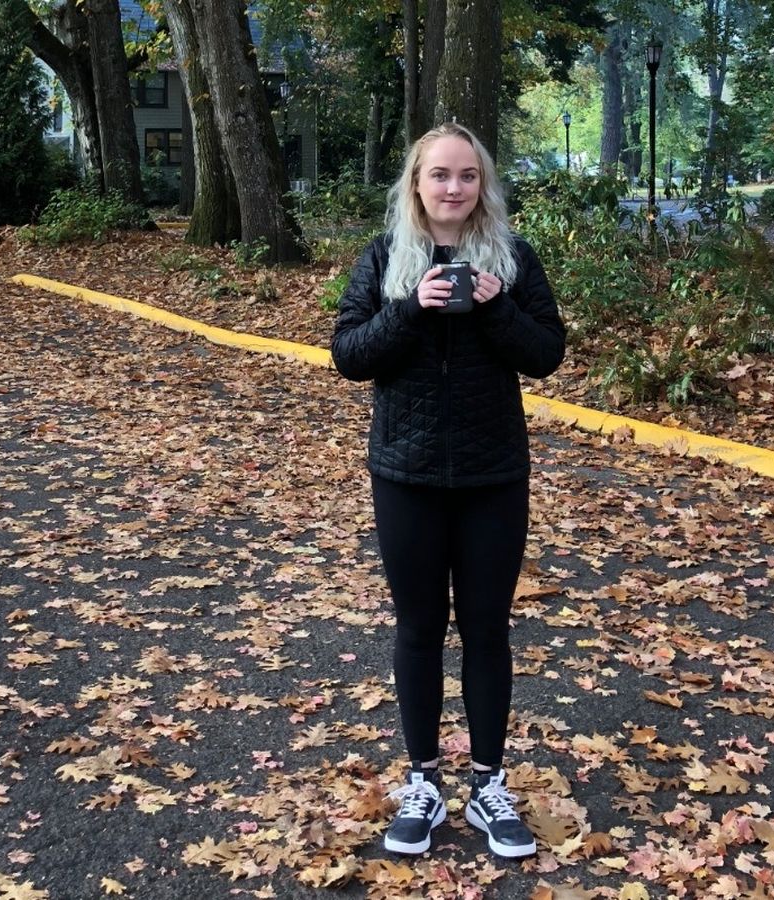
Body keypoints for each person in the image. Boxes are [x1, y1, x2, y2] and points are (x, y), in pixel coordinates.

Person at [330, 122, 566, 859]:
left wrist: (496, 306)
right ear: (417, 183)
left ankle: (490, 783)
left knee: (487, 629)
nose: (454, 187)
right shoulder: (383, 257)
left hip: (495, 476)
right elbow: (348, 355)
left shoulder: (514, 257)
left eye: (467, 175)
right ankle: (424, 781)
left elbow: (547, 354)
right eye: (440, 174)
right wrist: (410, 306)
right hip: (407, 474)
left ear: (482, 183)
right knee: (419, 627)